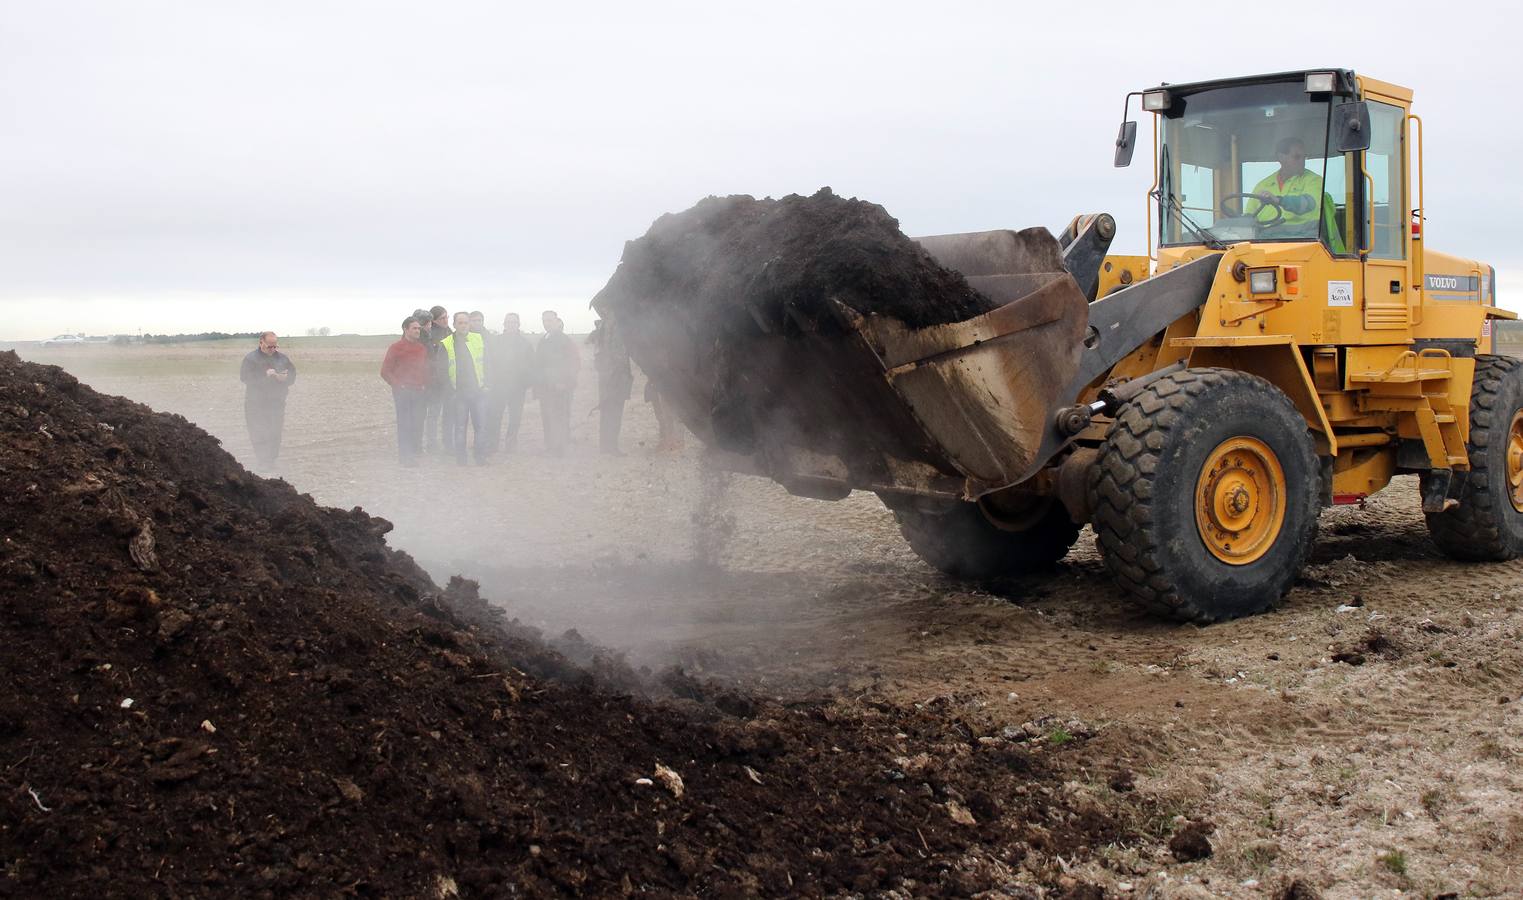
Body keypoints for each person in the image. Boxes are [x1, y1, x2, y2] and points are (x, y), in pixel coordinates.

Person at [1247, 137, 1345, 253]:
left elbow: (1308, 203)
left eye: (1304, 157)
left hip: (1306, 247)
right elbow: (1248, 217)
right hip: (1265, 248)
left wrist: (1279, 200)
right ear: (1281, 158)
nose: (1302, 161)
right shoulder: (1262, 185)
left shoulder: (1314, 181)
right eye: (1297, 157)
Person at [238, 331, 296, 469]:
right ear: (261, 343)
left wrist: (284, 378)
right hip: (255, 403)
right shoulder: (251, 359)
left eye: (275, 346)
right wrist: (266, 376)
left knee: (275, 431)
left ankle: (271, 459)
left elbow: (292, 376)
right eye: (269, 346)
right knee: (258, 431)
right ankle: (262, 460)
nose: (273, 349)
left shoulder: (282, 359)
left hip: (277, 402)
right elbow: (245, 378)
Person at [440, 310, 487, 465]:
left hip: (478, 391)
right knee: (460, 427)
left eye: (466, 322)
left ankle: (480, 458)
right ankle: (461, 460)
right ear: (454, 324)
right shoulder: (446, 343)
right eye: (459, 322)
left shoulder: (478, 339)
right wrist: (450, 391)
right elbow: (441, 371)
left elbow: (487, 362)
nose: (463, 325)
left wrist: (488, 384)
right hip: (458, 393)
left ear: (469, 324)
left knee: (480, 427)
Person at [380, 316, 429, 466]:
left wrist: (425, 384)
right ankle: (405, 457)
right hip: (403, 393)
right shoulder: (395, 348)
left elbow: (425, 370)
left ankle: (414, 453)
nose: (417, 331)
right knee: (405, 424)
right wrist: (399, 385)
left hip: (419, 392)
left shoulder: (422, 348)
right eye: (414, 328)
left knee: (417, 423)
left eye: (419, 328)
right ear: (405, 329)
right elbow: (385, 371)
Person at [484, 312, 533, 455]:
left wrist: (526, 382)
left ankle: (511, 444)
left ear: (518, 324)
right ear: (504, 324)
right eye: (508, 322)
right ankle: (493, 444)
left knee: (515, 417)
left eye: (514, 322)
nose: (511, 324)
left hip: (517, 387)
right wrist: (491, 381)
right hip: (498, 386)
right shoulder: (495, 341)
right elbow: (489, 362)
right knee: (495, 416)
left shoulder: (525, 344)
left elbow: (531, 364)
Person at [534, 310, 579, 456]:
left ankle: (560, 448)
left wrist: (564, 382)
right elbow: (539, 364)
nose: (546, 323)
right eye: (544, 320)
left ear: (557, 321)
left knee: (560, 416)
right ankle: (550, 446)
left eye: (549, 320)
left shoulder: (564, 340)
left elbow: (573, 362)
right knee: (547, 416)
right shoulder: (544, 339)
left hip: (560, 387)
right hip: (545, 387)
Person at [588, 317, 633, 455]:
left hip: (608, 376)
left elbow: (598, 353)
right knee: (613, 411)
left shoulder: (601, 328)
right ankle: (610, 446)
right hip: (615, 377)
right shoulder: (615, 327)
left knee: (608, 410)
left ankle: (606, 446)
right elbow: (618, 355)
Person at [422, 305, 454, 454]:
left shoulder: (450, 333)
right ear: (433, 320)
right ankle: (431, 445)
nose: (446, 320)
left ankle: (448, 443)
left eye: (447, 316)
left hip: (450, 381)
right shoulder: (430, 335)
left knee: (449, 414)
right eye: (442, 318)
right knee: (433, 414)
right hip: (435, 383)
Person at [646, 381, 685, 453]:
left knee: (673, 415)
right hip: (658, 387)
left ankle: (677, 441)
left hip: (668, 387)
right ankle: (666, 440)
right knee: (662, 416)